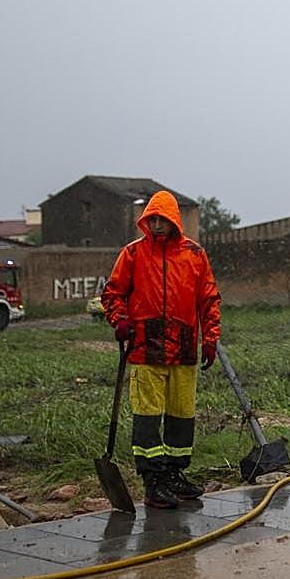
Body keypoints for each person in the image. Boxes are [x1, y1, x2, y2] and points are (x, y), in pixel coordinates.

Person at [101, 190, 222, 509]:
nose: (155, 225)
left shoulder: (195, 255)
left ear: (173, 221)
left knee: (182, 416)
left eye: (161, 219)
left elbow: (209, 299)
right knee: (147, 418)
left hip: (183, 348)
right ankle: (152, 480)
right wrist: (120, 321)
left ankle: (173, 474)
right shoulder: (133, 254)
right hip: (145, 347)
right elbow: (113, 294)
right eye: (151, 219)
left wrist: (210, 338)